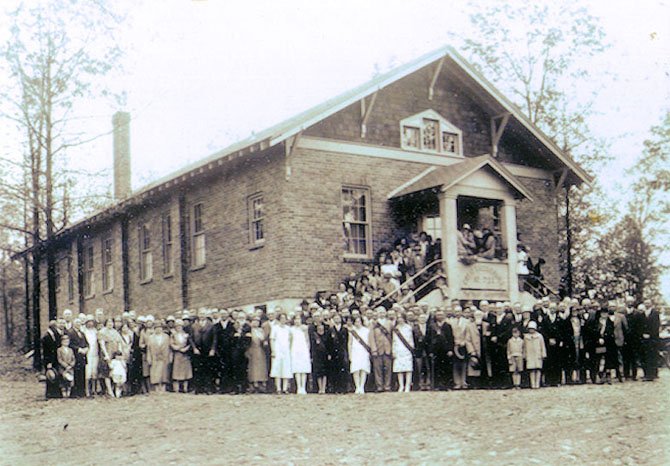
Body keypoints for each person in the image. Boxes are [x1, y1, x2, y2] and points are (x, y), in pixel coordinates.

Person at [428, 310, 454, 390]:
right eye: (438, 315)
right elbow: (429, 339)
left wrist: (450, 349)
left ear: (444, 316)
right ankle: (437, 385)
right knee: (436, 368)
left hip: (445, 350)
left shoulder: (447, 325)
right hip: (436, 350)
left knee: (446, 368)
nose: (439, 316)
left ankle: (447, 385)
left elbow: (450, 338)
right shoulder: (432, 326)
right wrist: (431, 351)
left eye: (441, 315)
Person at [371, 307, 393, 392]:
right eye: (380, 312)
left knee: (388, 369)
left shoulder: (389, 323)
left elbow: (392, 336)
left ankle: (387, 386)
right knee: (378, 369)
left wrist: (392, 349)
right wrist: (374, 349)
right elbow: (371, 337)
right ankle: (379, 386)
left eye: (383, 312)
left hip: (387, 349)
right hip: (378, 349)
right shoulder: (373, 323)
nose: (381, 314)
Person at [349, 316, 372, 394]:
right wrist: (350, 354)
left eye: (359, 321)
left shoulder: (366, 331)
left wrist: (369, 352)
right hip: (355, 351)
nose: (357, 323)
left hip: (364, 351)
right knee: (356, 369)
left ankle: (362, 387)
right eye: (356, 322)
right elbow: (350, 343)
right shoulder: (352, 331)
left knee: (363, 369)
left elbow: (369, 342)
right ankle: (357, 386)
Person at [66, 318, 89, 398]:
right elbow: (70, 344)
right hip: (75, 356)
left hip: (82, 357)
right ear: (73, 323)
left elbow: (86, 343)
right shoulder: (70, 332)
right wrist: (78, 349)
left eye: (79, 323)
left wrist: (86, 348)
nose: (78, 324)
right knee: (76, 375)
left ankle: (82, 392)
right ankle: (75, 393)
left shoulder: (82, 333)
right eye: (76, 323)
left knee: (82, 374)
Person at [270, 313, 292, 394]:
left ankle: (285, 388)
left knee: (286, 369)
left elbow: (290, 340)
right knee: (277, 369)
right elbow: (272, 339)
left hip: (286, 351)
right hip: (277, 350)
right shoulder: (275, 328)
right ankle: (278, 388)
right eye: (281, 318)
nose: (283, 320)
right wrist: (273, 351)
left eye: (284, 318)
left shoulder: (288, 329)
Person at [289, 314, 311, 395]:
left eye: (298, 319)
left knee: (304, 369)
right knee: (297, 369)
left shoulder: (304, 328)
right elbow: (290, 340)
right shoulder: (291, 329)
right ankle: (299, 387)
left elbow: (307, 340)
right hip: (295, 349)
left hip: (303, 349)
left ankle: (303, 387)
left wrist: (308, 349)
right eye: (295, 319)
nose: (297, 321)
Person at [392, 313, 414, 393]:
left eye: (401, 318)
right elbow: (394, 341)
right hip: (398, 349)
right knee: (399, 369)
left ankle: (407, 386)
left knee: (408, 369)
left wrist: (411, 349)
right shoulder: (396, 329)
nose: (400, 319)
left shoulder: (408, 328)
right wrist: (394, 351)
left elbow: (411, 339)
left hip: (407, 349)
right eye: (398, 318)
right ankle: (401, 386)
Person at [147, 321, 171, 392]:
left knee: (164, 372)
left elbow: (169, 348)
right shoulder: (151, 337)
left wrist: (170, 357)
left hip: (164, 357)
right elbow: (148, 349)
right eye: (156, 328)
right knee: (155, 373)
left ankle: (163, 387)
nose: (158, 329)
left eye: (160, 328)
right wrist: (149, 358)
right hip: (155, 357)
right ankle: (157, 388)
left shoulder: (166, 337)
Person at [639, 303, 660, 382]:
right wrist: (643, 334)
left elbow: (656, 326)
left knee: (652, 356)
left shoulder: (655, 313)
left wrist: (650, 335)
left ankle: (652, 375)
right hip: (644, 338)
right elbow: (641, 325)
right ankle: (646, 374)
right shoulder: (643, 314)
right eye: (646, 303)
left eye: (648, 303)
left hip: (652, 339)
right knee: (645, 356)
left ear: (651, 304)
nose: (647, 304)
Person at [170, 319, 193, 393]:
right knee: (176, 371)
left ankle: (185, 388)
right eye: (177, 326)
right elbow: (171, 344)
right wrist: (179, 348)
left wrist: (186, 348)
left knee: (185, 371)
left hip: (185, 355)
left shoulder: (186, 335)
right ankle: (176, 388)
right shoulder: (173, 335)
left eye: (180, 326)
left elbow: (190, 343)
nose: (178, 328)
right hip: (177, 355)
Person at [246, 317, 268, 393]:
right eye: (254, 321)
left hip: (260, 350)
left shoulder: (261, 330)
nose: (256, 323)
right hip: (252, 349)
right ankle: (253, 384)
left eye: (257, 321)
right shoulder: (249, 330)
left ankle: (261, 383)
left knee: (261, 366)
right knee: (253, 367)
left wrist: (264, 342)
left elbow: (263, 339)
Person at [41, 321, 61, 399]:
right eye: (55, 327)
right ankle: (49, 393)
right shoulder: (46, 336)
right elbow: (46, 352)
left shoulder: (53, 335)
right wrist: (48, 362)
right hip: (49, 360)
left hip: (54, 360)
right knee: (50, 376)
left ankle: (55, 393)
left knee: (55, 376)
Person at [523, 321, 546, 389]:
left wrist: (543, 354)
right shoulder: (526, 337)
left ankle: (537, 383)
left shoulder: (539, 336)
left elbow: (542, 346)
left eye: (532, 329)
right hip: (530, 354)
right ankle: (532, 384)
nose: (531, 330)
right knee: (532, 370)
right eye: (530, 329)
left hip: (537, 354)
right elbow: (524, 346)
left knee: (538, 369)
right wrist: (524, 355)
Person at [310, 322, 330, 394]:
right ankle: (320, 388)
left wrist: (329, 354)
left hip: (325, 356)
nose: (320, 329)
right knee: (318, 373)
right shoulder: (314, 336)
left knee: (324, 373)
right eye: (319, 328)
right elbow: (313, 347)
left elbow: (328, 346)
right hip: (317, 356)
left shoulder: (326, 335)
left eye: (321, 327)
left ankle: (324, 388)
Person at [57, 334, 76, 399]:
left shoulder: (70, 350)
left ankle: (68, 393)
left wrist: (71, 365)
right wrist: (65, 366)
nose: (66, 343)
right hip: (63, 368)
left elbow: (73, 359)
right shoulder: (59, 350)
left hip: (70, 368)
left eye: (67, 341)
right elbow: (59, 359)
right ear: (61, 342)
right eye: (64, 341)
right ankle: (64, 394)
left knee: (70, 381)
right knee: (63, 380)